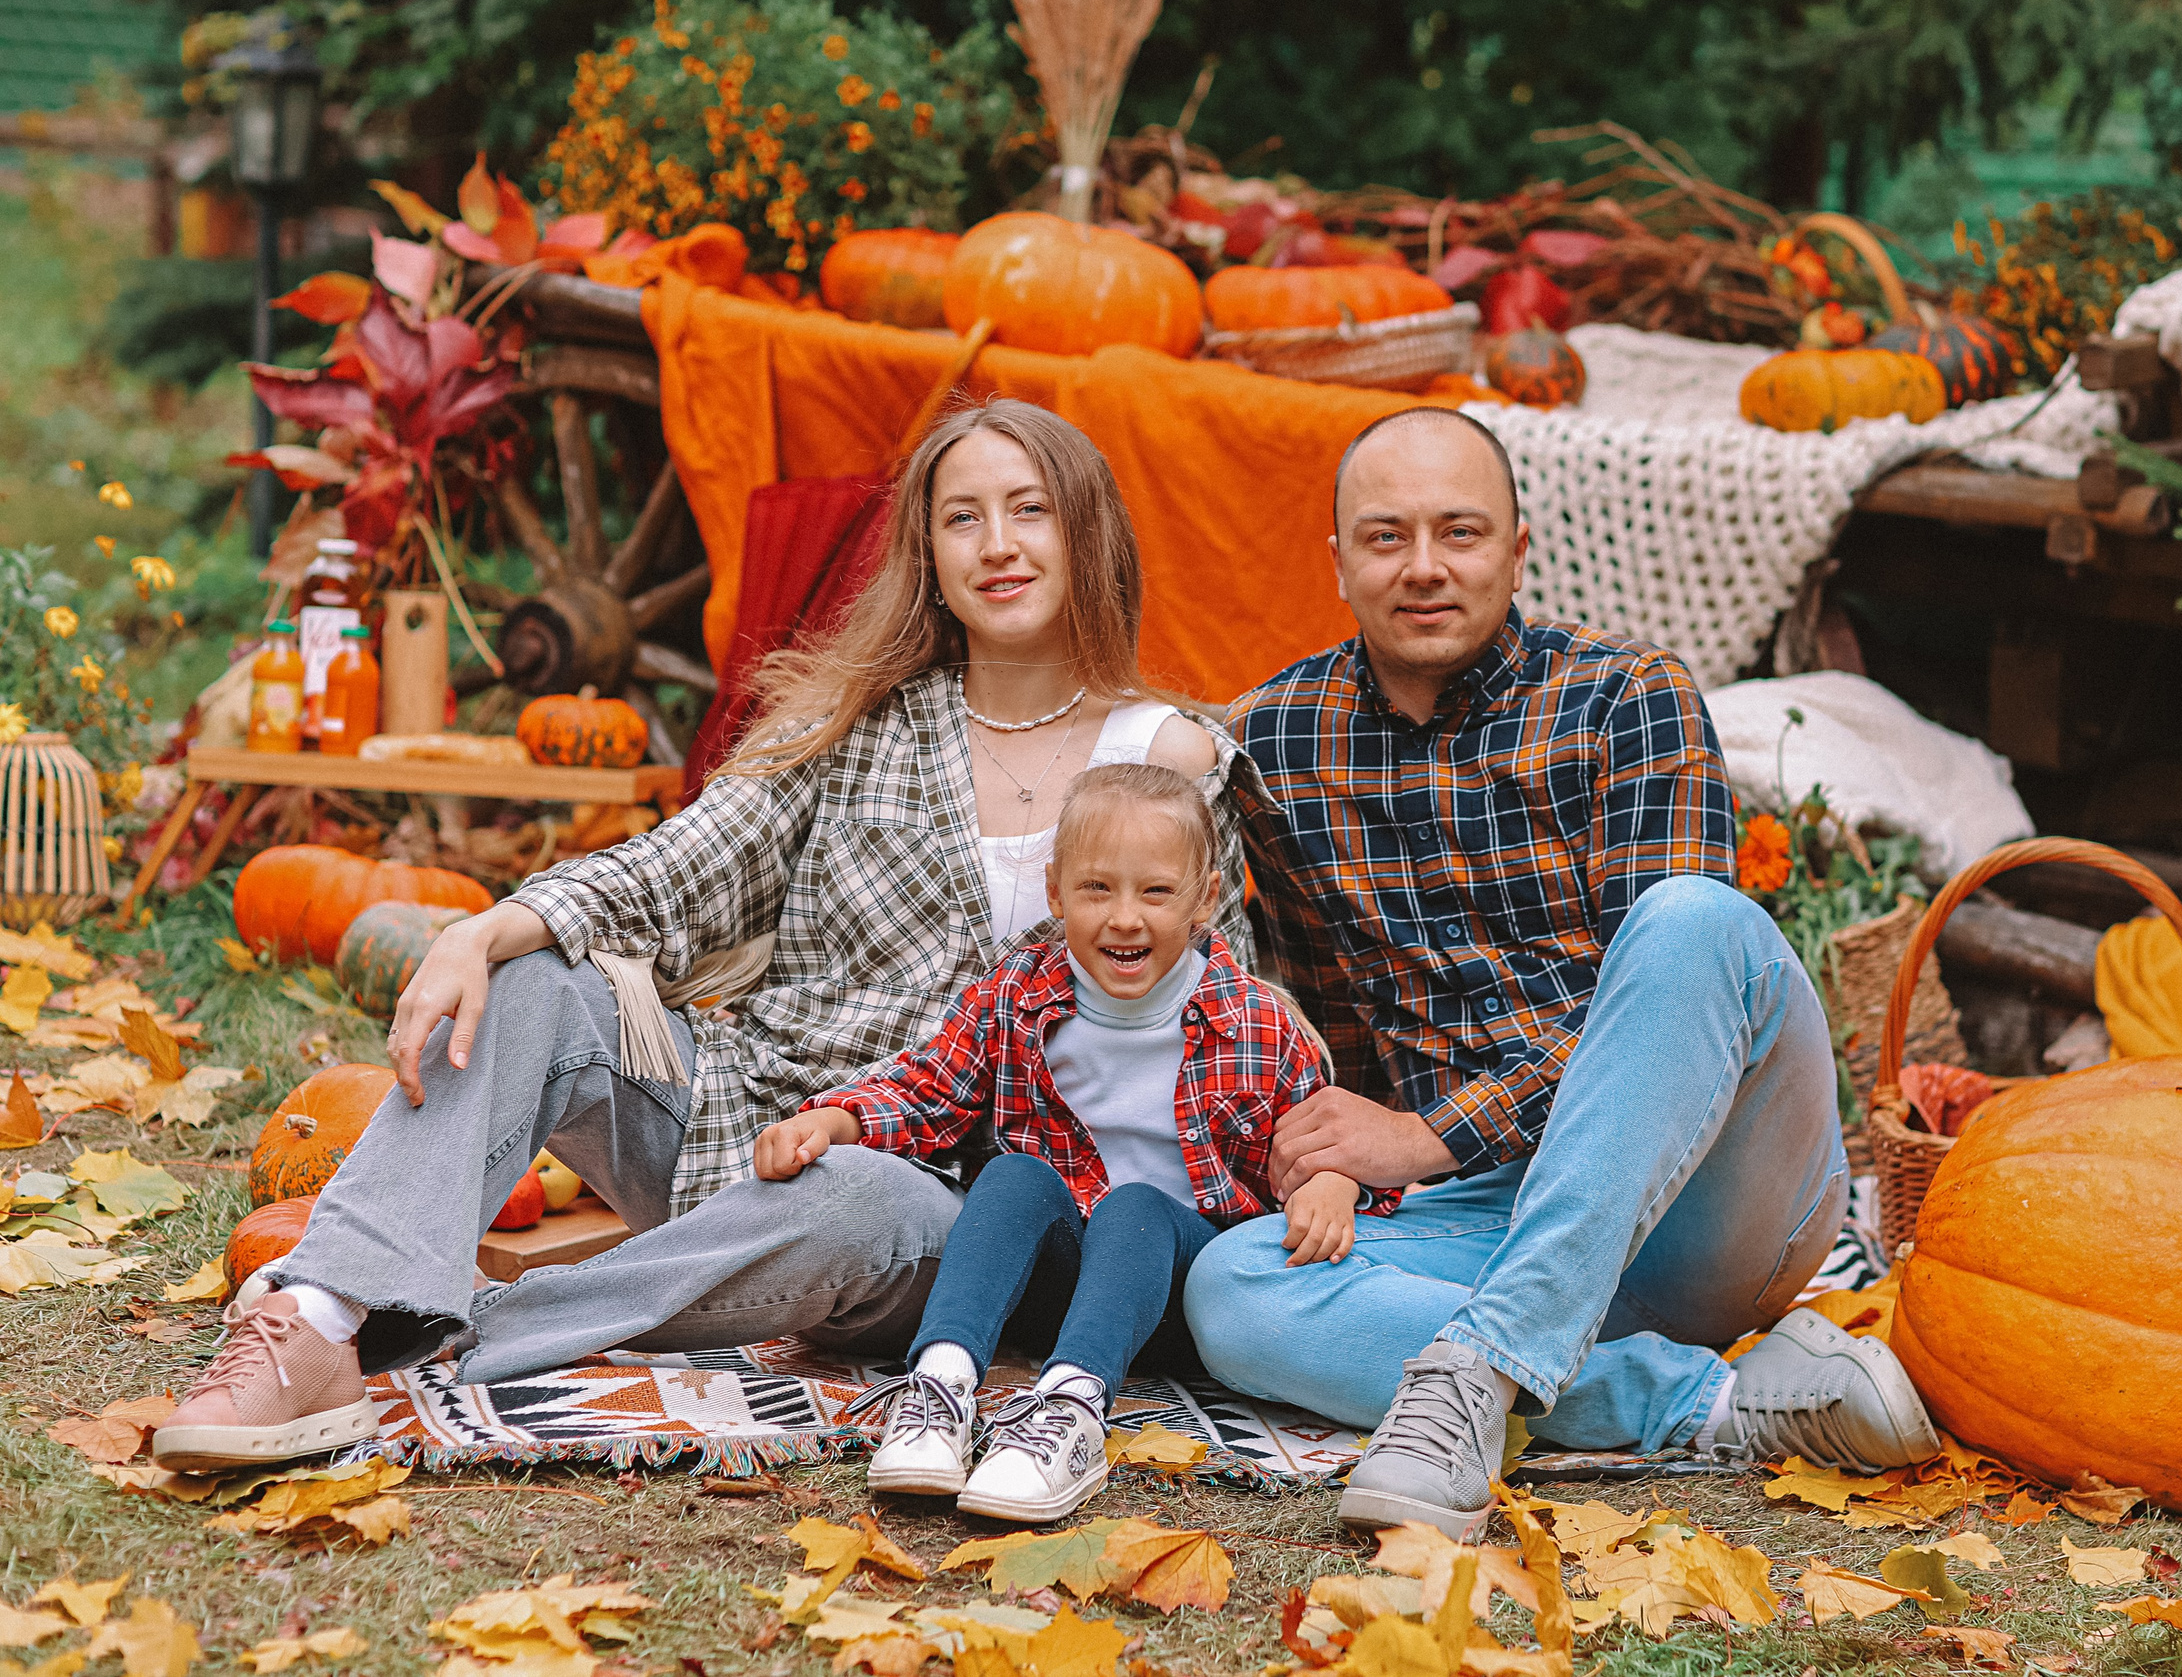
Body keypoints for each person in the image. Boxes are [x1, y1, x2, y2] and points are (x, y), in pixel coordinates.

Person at [153, 399, 1254, 1474]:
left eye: (1030, 509)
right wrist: (486, 930)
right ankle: (319, 1314)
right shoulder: (857, 722)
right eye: (962, 517)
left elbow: (1220, 1020)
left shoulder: (1166, 758)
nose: (998, 544)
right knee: (536, 977)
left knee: (856, 1192)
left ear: (1086, 531)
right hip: (751, 1120)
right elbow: (677, 869)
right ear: (927, 552)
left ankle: (462, 1317)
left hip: (960, 1209)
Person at [1183, 406, 1938, 1540]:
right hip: (1482, 1218)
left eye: (1460, 532)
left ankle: (1480, 1373)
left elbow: (1674, 1008)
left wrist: (1427, 1137)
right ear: (1337, 563)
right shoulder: (1279, 743)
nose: (1424, 566)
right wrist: (1338, 1159)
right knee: (1233, 1287)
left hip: (1704, 1199)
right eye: (1386, 537)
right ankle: (1707, 1401)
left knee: (1694, 918)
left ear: (1518, 550)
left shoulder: (1628, 698)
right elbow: (1327, 1021)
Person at [759, 762, 1367, 1522]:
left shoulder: (1258, 1026)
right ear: (1056, 893)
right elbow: (927, 1089)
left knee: (1136, 1206)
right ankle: (941, 1387)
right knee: (1014, 1175)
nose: (1124, 918)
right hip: (1054, 1285)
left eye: (1156, 891)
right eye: (1096, 888)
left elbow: (1333, 1147)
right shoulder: (1017, 994)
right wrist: (831, 1121)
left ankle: (1072, 1412)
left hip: (1180, 1297)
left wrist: (1333, 1183)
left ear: (1205, 899)